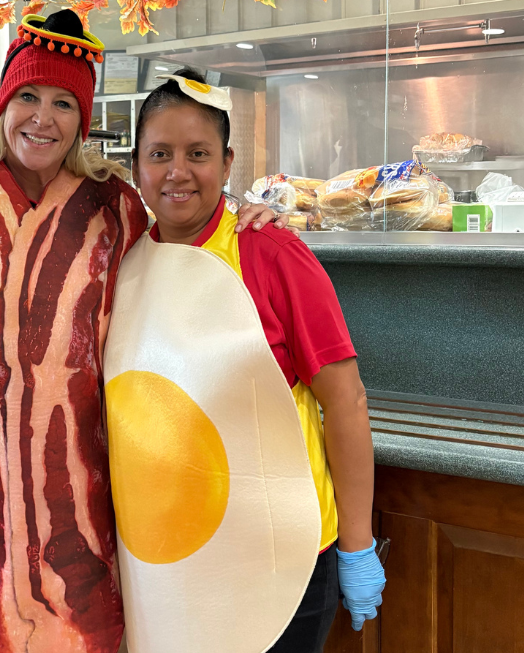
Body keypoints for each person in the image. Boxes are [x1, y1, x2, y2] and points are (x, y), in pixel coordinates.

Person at [0, 12, 286, 653]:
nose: (43, 119)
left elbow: (178, 257)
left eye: (64, 103)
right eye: (28, 98)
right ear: (2, 104)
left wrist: (244, 217)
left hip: (95, 500)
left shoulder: (114, 207)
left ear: (84, 116)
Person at [103, 69, 385, 653]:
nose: (178, 172)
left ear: (228, 164)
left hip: (279, 563)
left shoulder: (271, 252)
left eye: (198, 153)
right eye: (160, 154)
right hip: (166, 571)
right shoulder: (121, 265)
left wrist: (357, 547)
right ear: (136, 168)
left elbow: (346, 400)